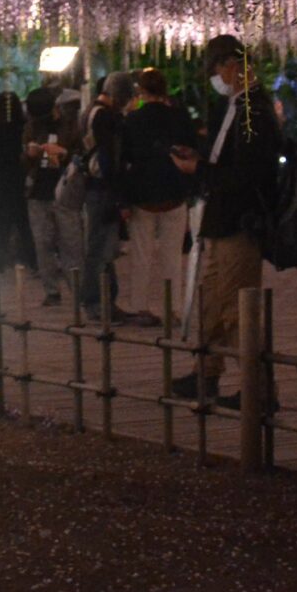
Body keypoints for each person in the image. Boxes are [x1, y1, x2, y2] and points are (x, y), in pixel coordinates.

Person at [178, 36, 284, 402]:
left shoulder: (256, 111)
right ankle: (205, 373)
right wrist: (202, 163)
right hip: (221, 220)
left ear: (233, 65)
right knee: (210, 300)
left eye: (218, 68)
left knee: (238, 307)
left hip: (240, 221)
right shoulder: (235, 107)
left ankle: (259, 389)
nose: (216, 77)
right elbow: (226, 162)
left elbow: (247, 175)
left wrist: (200, 170)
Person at [115, 68, 197, 329]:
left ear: (142, 91)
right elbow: (192, 150)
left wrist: (124, 200)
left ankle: (140, 306)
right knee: (172, 256)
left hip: (142, 193)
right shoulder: (180, 117)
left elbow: (124, 160)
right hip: (174, 191)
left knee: (141, 255)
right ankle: (173, 309)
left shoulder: (133, 120)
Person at [77, 74, 132, 322]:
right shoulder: (105, 117)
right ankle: (96, 302)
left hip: (95, 186)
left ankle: (105, 300)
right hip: (103, 187)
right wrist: (120, 195)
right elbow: (110, 158)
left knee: (104, 248)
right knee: (100, 248)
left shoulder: (89, 111)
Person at [22, 85, 79, 308]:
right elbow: (23, 159)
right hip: (37, 190)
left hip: (65, 191)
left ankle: (78, 289)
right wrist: (29, 154)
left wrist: (64, 154)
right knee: (42, 242)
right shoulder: (31, 126)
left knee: (71, 243)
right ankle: (51, 290)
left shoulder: (71, 124)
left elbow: (81, 153)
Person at [0, 91, 32, 280]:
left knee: (0, 225)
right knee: (23, 223)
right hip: (17, 179)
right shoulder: (22, 128)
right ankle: (30, 260)